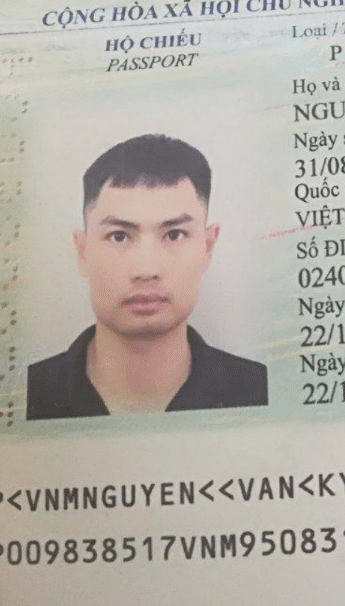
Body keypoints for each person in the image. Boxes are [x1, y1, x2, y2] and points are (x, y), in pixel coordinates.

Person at [27, 135, 267, 418]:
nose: (146, 270)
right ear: (82, 251)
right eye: (119, 236)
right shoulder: (26, 394)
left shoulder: (259, 390)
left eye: (174, 235)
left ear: (208, 246)